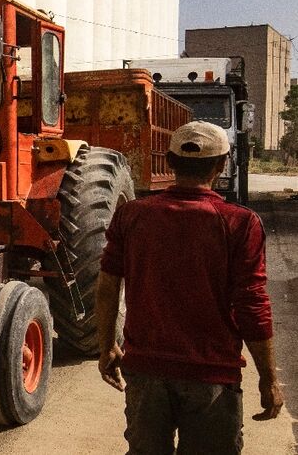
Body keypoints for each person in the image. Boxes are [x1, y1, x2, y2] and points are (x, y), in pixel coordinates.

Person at [96, 121, 283, 454]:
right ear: (222, 164)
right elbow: (252, 304)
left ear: (169, 161)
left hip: (146, 370)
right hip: (211, 377)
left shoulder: (131, 215)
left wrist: (107, 345)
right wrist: (268, 378)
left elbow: (108, 286)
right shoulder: (239, 222)